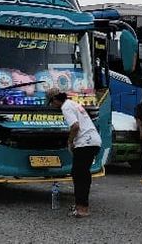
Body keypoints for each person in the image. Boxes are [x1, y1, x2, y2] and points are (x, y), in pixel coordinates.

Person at [48, 88, 102, 218]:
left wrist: (70, 141)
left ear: (55, 99)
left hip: (85, 143)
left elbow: (75, 126)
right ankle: (82, 205)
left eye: (51, 102)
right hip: (94, 141)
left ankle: (82, 208)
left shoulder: (66, 107)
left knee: (79, 176)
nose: (51, 105)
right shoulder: (73, 103)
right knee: (83, 174)